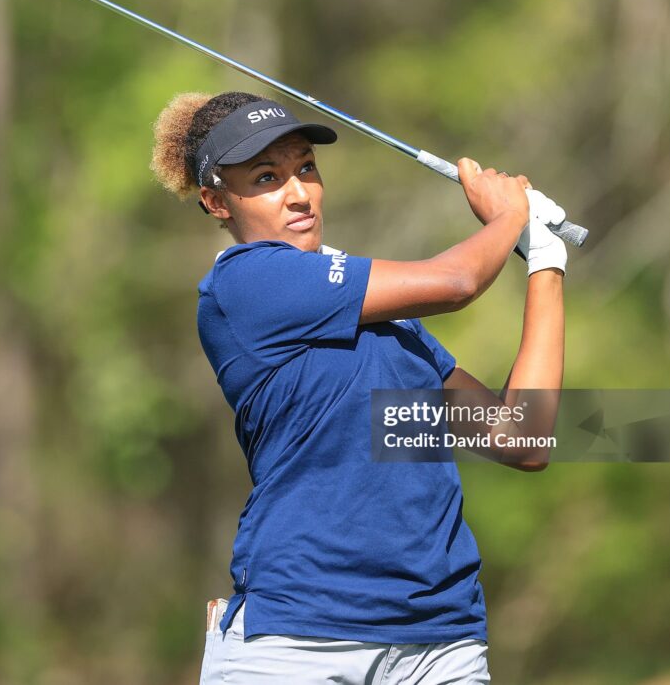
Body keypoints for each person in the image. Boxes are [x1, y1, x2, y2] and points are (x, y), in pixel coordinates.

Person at [150, 91, 566, 684]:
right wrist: (508, 216)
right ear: (216, 202)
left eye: (306, 169)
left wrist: (545, 262)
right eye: (266, 177)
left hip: (440, 640)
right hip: (297, 638)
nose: (298, 194)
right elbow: (456, 280)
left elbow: (522, 439)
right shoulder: (243, 285)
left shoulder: (391, 322)